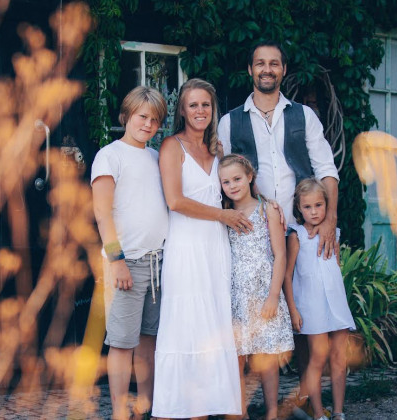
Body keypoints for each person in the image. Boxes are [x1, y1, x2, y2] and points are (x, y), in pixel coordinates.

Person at [152, 78, 250, 419]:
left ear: (213, 109)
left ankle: (206, 409)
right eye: (193, 104)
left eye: (205, 104)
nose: (200, 110)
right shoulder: (171, 147)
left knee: (213, 326)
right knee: (186, 326)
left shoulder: (217, 150)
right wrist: (222, 215)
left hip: (216, 248)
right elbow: (175, 201)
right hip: (186, 247)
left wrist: (266, 208)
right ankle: (173, 409)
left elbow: (236, 189)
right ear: (182, 110)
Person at [218, 40, 340, 259]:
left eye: (274, 64)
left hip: (303, 231)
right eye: (260, 64)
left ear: (284, 69)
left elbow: (326, 170)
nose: (267, 70)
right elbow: (221, 180)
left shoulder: (305, 116)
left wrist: (330, 219)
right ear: (250, 69)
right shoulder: (229, 122)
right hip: (251, 235)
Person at [91, 86, 168, 420]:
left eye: (155, 120)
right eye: (142, 117)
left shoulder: (156, 157)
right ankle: (120, 411)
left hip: (158, 262)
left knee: (149, 341)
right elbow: (102, 213)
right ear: (126, 116)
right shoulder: (110, 156)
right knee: (122, 343)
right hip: (127, 262)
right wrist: (116, 260)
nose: (148, 124)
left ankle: (146, 406)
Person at [219, 154, 295, 420]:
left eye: (237, 179)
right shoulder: (224, 214)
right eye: (226, 182)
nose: (232, 185)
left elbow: (280, 255)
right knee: (237, 357)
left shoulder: (267, 210)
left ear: (250, 177)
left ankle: (272, 411)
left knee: (266, 357)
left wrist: (273, 296)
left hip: (264, 294)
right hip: (236, 296)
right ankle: (240, 412)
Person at [284, 178, 356, 420]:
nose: (314, 212)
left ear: (326, 205)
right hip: (311, 306)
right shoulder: (297, 235)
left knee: (339, 357)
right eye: (307, 207)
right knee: (316, 358)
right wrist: (293, 309)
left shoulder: (333, 233)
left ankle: (338, 412)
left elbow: (335, 267)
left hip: (335, 303)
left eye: (319, 205)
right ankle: (317, 412)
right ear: (299, 208)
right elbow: (287, 274)